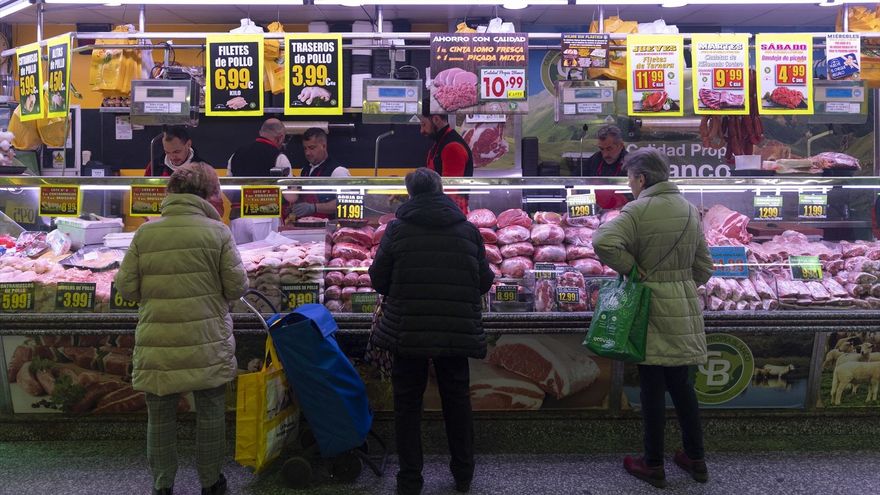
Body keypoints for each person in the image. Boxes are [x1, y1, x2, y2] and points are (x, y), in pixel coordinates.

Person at [115, 162, 248, 495]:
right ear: (209, 194)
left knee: (159, 417)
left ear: (172, 192)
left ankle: (162, 485)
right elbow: (236, 288)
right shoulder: (218, 232)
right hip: (207, 341)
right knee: (211, 413)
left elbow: (126, 288)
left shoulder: (146, 232)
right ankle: (211, 482)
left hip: (157, 341)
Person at [592, 148, 714, 489]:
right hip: (683, 308)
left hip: (649, 307)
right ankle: (696, 459)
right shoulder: (689, 210)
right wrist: (682, 286)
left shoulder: (638, 209)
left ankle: (653, 463)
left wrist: (634, 271)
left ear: (641, 178)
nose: (630, 185)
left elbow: (603, 241)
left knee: (651, 388)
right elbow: (705, 266)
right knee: (683, 387)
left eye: (630, 178)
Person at [368, 168, 494, 495]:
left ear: (410, 194)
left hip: (407, 330)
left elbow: (378, 280)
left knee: (407, 406)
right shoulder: (467, 231)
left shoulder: (396, 230)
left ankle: (410, 479)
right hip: (455, 330)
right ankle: (463, 474)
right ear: (441, 190)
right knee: (457, 402)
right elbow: (484, 281)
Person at [227, 118, 292, 243]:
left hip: (237, 217)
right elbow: (290, 196)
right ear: (280, 137)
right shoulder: (279, 157)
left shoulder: (236, 154)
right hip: (265, 215)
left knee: (242, 259)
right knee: (265, 258)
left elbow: (228, 187)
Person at [418, 111, 473, 213]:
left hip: (451, 214)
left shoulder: (452, 147)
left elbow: (450, 192)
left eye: (424, 124)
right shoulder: (441, 142)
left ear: (436, 119)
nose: (422, 130)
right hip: (441, 210)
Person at [291, 127, 351, 219]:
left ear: (324, 146)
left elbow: (347, 202)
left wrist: (314, 208)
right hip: (307, 225)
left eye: (312, 148)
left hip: (329, 228)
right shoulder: (304, 170)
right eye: (305, 148)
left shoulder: (338, 171)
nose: (307, 153)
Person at [582, 125, 631, 210]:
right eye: (601, 149)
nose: (605, 154)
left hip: (622, 211)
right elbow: (578, 182)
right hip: (596, 210)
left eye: (609, 149)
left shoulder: (632, 163)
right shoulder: (595, 159)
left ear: (621, 145)